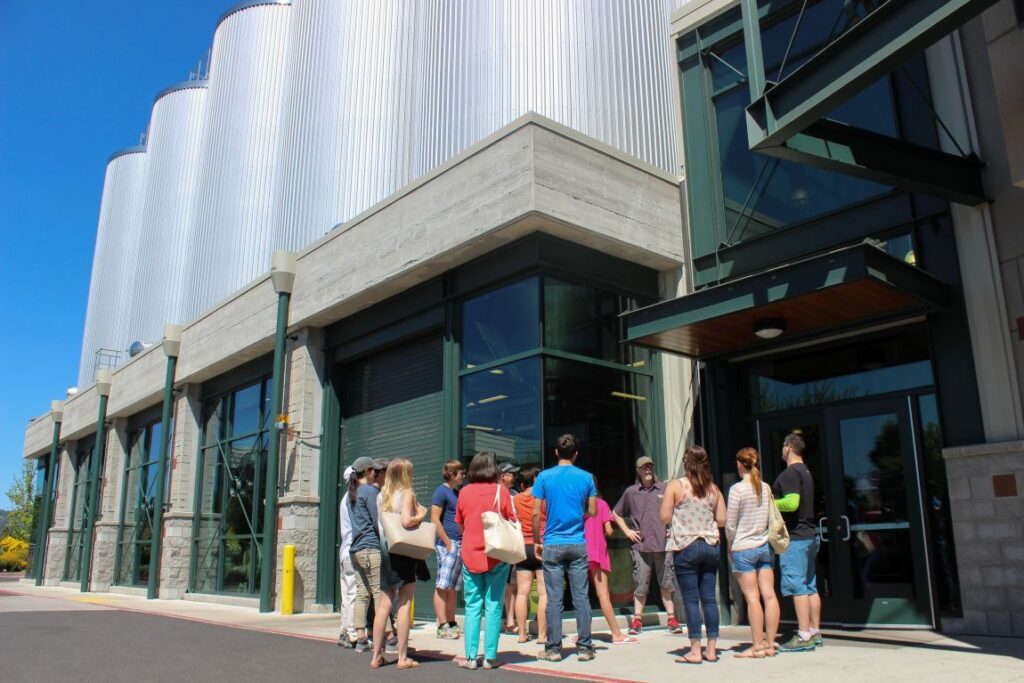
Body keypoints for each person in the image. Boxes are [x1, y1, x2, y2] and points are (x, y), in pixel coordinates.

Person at [533, 433, 597, 663]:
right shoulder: (587, 478)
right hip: (577, 542)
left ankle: (553, 649)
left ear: (556, 452)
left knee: (554, 598)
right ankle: (585, 647)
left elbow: (535, 512)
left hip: (552, 542)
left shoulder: (544, 477)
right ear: (576, 454)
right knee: (581, 596)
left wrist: (536, 540)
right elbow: (592, 511)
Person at [661, 445, 727, 664]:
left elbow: (664, 516)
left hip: (686, 545)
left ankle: (695, 650)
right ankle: (712, 649)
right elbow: (723, 520)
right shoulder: (713, 489)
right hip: (710, 545)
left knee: (690, 599)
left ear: (685, 463)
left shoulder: (676, 486)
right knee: (709, 598)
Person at [454, 451, 517, 670]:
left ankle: (471, 657)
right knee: (493, 605)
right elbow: (512, 520)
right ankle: (490, 657)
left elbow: (459, 524)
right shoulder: (501, 491)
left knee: (472, 606)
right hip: (497, 555)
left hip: (471, 554)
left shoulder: (463, 492)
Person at [611, 456, 682, 635]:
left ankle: (672, 619)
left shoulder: (665, 489)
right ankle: (637, 621)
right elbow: (616, 513)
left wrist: (673, 527)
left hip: (663, 545)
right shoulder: (631, 492)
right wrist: (627, 531)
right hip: (641, 547)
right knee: (641, 584)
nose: (648, 470)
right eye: (644, 467)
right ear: (638, 471)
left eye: (650, 466)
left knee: (667, 583)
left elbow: (679, 509)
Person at [726, 447, 779, 658]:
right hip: (764, 546)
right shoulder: (765, 487)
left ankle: (757, 646)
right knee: (770, 595)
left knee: (752, 598)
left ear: (740, 464)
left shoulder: (737, 490)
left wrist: (730, 544)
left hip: (744, 547)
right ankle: (770, 644)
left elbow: (731, 525)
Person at [378, 458, 430, 669]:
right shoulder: (407, 493)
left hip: (386, 550)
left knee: (384, 605)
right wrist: (421, 514)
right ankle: (402, 656)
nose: (413, 475)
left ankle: (376, 656)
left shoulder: (382, 495)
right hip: (404, 552)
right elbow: (407, 521)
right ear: (405, 474)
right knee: (404, 603)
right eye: (411, 471)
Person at [773, 433, 821, 652]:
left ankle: (802, 635)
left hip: (796, 538)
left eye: (784, 445)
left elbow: (792, 503)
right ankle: (814, 631)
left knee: (798, 585)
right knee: (810, 586)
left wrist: (769, 502)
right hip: (811, 536)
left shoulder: (790, 473)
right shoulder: (807, 472)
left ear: (790, 447)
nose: (782, 449)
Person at [585, 474, 639, 645]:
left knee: (581, 595)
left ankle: (583, 634)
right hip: (598, 553)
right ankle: (616, 633)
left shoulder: (578, 506)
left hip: (580, 553)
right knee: (603, 595)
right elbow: (609, 530)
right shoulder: (601, 504)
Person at [348, 457, 384, 657]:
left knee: (362, 595)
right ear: (369, 471)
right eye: (374, 470)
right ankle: (387, 636)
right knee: (380, 594)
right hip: (371, 547)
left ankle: (361, 637)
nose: (376, 474)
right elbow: (377, 521)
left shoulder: (352, 494)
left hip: (356, 550)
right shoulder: (370, 492)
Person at [512, 465, 547, 644]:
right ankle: (542, 635)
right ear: (534, 479)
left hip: (522, 546)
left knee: (522, 592)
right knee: (543, 592)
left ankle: (522, 634)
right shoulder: (543, 498)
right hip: (541, 545)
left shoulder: (516, 499)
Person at [431, 459, 465, 640]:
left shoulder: (456, 493)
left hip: (458, 543)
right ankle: (442, 624)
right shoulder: (441, 492)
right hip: (447, 544)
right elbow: (435, 519)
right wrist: (447, 542)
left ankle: (451, 622)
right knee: (442, 584)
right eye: (461, 473)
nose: (463, 476)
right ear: (452, 474)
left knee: (452, 587)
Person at [499, 461, 521, 634]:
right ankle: (506, 619)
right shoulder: (496, 493)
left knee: (512, 583)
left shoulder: (515, 494)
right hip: (500, 542)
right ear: (502, 476)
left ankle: (511, 619)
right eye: (510, 474)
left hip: (514, 541)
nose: (513, 477)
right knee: (504, 583)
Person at [338, 466, 359, 648]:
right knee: (353, 593)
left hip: (344, 551)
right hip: (353, 551)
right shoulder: (354, 498)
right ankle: (352, 633)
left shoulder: (345, 499)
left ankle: (344, 630)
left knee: (346, 593)